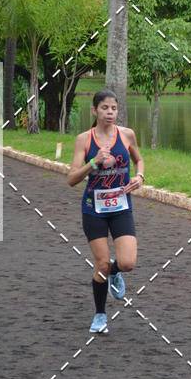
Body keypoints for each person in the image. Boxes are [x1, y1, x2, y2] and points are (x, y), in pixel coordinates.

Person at [68, 89, 144, 334]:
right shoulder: (84, 139)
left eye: (114, 108)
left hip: (121, 206)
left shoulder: (127, 135)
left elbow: (139, 160)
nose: (110, 112)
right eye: (104, 108)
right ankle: (100, 315)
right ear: (94, 110)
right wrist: (94, 162)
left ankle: (116, 270)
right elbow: (71, 179)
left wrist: (140, 176)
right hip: (94, 209)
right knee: (101, 264)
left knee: (128, 263)